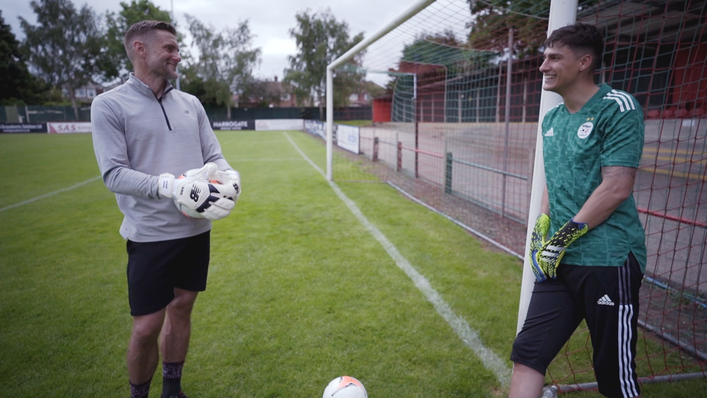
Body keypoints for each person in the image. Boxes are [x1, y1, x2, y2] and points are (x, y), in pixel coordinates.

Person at [91, 20, 241, 398]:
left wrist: (230, 176)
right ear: (140, 50)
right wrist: (170, 186)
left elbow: (214, 157)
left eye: (177, 48)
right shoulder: (108, 104)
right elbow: (113, 174)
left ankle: (172, 390)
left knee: (183, 308)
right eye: (169, 48)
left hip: (195, 231)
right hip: (150, 235)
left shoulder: (190, 103)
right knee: (145, 327)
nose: (177, 55)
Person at [509, 23, 646, 398]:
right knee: (528, 355)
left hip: (607, 258)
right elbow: (554, 183)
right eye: (544, 57)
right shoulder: (552, 120)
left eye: (555, 58)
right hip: (558, 262)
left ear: (584, 62)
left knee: (614, 377)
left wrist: (563, 237)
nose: (543, 66)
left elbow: (617, 186)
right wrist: (542, 231)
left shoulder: (617, 107)